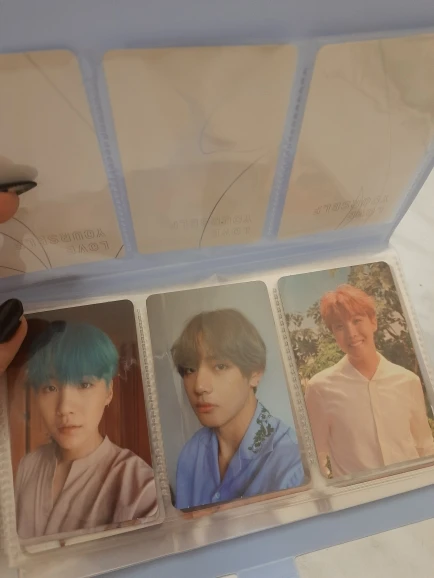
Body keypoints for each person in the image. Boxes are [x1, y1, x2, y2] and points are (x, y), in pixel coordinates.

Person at [14, 321, 158, 539]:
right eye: (50, 388)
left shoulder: (141, 487)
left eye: (84, 385)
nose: (64, 408)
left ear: (109, 391)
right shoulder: (28, 466)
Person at [171, 309, 304, 510]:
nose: (199, 386)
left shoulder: (292, 461)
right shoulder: (191, 454)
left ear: (255, 373)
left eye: (220, 366)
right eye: (190, 369)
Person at [305, 284, 434, 478]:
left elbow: (425, 447)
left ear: (373, 322)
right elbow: (315, 459)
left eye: (357, 320)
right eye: (339, 326)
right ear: (334, 335)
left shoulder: (408, 381)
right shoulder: (320, 388)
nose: (351, 333)